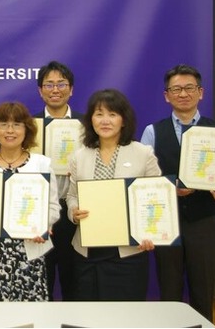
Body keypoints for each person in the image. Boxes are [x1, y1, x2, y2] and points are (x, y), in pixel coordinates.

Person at [140, 64, 215, 321]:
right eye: (176, 89)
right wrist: (171, 188)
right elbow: (143, 180)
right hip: (166, 222)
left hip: (205, 221)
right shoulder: (152, 132)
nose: (183, 94)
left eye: (189, 88)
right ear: (167, 95)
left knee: (203, 289)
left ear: (200, 92)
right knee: (169, 289)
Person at [67, 89, 160, 301]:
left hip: (128, 253)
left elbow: (155, 199)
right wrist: (73, 211)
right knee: (86, 313)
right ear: (91, 119)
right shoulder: (79, 156)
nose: (105, 121)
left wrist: (150, 233)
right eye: (99, 114)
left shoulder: (143, 153)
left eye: (112, 114)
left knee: (124, 314)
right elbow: (72, 196)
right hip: (86, 252)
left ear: (123, 120)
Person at [0, 102, 60, 301]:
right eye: (3, 124)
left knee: (28, 313)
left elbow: (53, 207)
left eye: (17, 124)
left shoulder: (42, 164)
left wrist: (43, 226)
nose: (10, 130)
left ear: (27, 130)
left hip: (29, 252)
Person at [33, 61, 83, 301]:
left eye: (61, 84)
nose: (55, 90)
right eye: (49, 84)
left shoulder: (87, 125)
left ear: (71, 89)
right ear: (40, 90)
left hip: (76, 212)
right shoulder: (28, 125)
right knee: (42, 280)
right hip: (39, 212)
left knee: (74, 281)